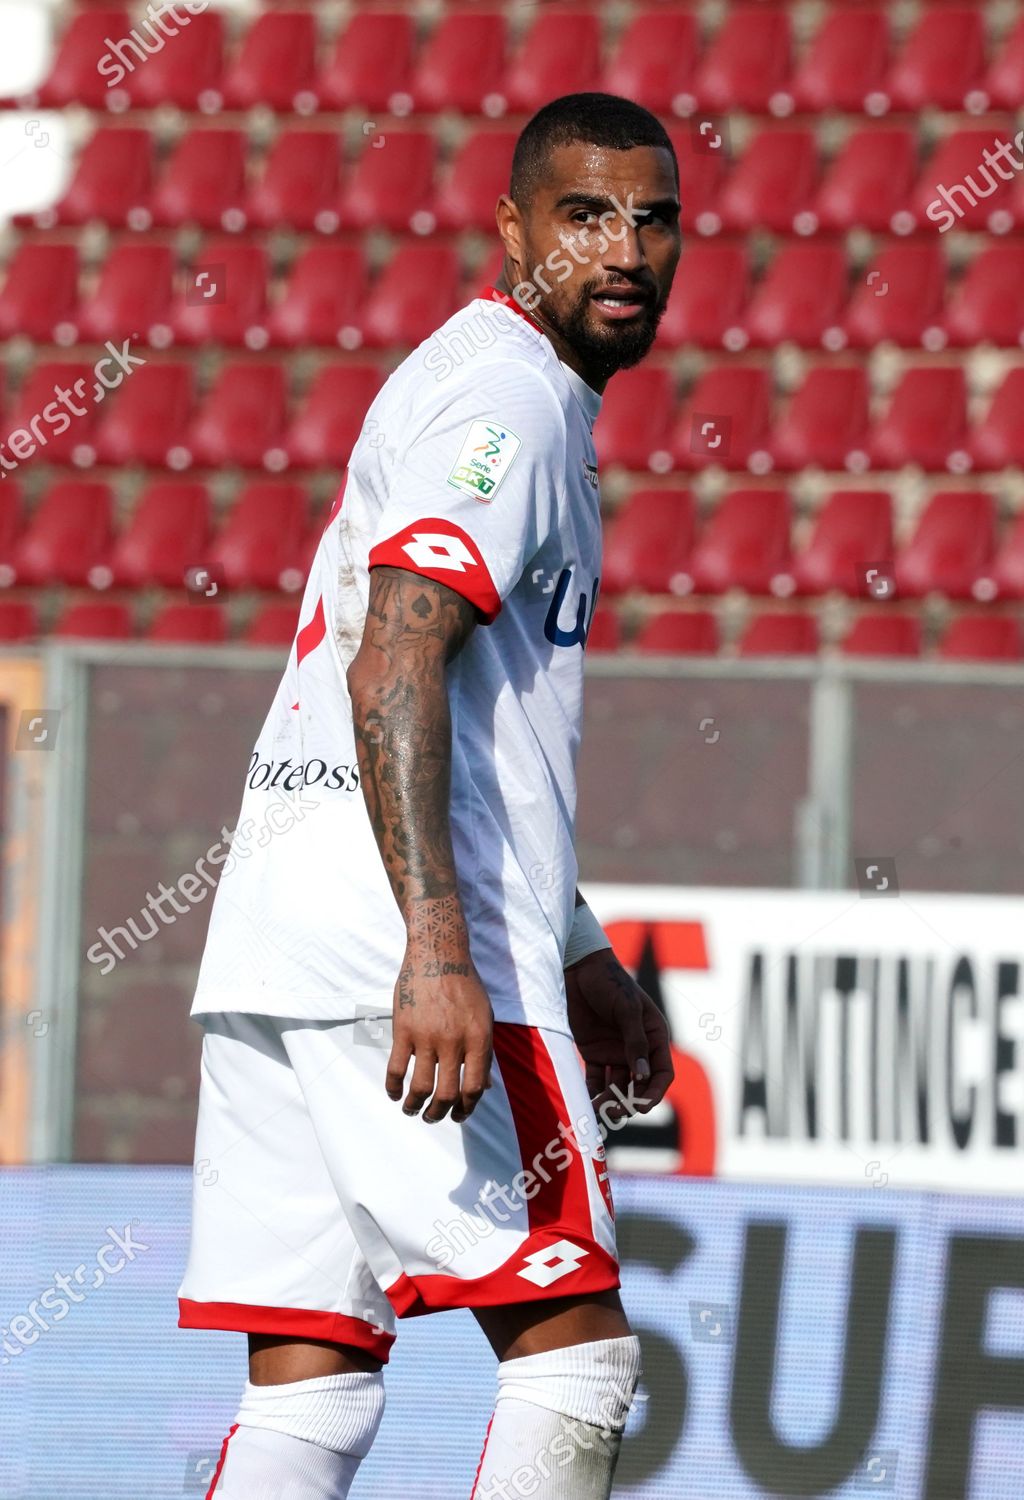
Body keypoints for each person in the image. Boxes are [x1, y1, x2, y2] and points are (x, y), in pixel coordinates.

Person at [179, 92, 681, 1500]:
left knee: (310, 1384)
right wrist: (444, 945)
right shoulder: (506, 402)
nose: (624, 248)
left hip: (282, 940)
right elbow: (398, 650)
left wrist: (577, 945)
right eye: (584, 216)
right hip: (400, 945)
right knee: (574, 1350)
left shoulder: (496, 389)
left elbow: (479, 707)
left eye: (652, 219)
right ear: (513, 229)